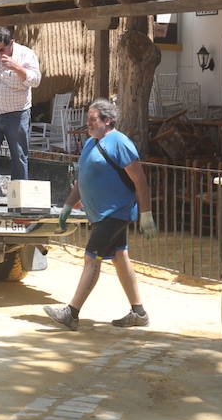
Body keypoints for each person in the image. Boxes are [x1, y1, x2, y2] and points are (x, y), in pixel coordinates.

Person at [44, 99, 158, 331]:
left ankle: (72, 313)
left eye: (92, 120)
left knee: (90, 258)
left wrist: (146, 214)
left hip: (114, 212)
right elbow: (82, 179)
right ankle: (139, 312)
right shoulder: (90, 143)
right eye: (88, 120)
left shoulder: (119, 142)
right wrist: (67, 206)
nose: (88, 124)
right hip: (100, 214)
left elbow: (140, 180)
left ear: (108, 121)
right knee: (119, 258)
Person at [0, 26, 41, 203]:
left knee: (18, 155)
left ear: (11, 43)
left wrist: (16, 67)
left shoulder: (26, 55)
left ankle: (18, 199)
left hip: (17, 114)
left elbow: (35, 80)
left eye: (1, 50)